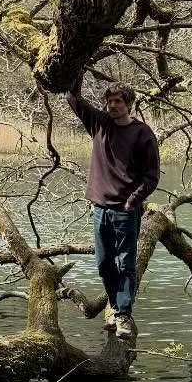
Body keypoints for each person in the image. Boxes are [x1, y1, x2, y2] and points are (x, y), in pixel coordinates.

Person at [65, 82, 160, 340]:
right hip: (100, 209)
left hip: (125, 211)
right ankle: (116, 308)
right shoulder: (100, 124)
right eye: (110, 101)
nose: (113, 105)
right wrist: (73, 74)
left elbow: (151, 177)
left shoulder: (142, 134)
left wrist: (132, 202)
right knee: (104, 263)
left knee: (125, 263)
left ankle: (123, 316)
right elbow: (74, 99)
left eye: (119, 101)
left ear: (129, 104)